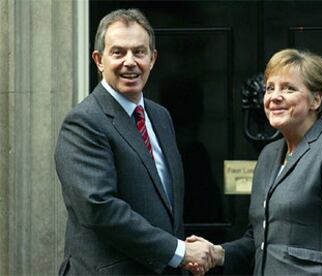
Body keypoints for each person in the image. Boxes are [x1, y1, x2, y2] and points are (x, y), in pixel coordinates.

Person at [55, 8, 213, 275]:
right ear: (99, 60)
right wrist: (178, 252)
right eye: (118, 52)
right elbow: (99, 208)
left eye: (139, 52)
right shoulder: (84, 122)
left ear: (152, 59)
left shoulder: (160, 117)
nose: (130, 62)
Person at [188, 48, 322, 275]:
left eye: (289, 88)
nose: (274, 97)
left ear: (316, 99)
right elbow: (259, 240)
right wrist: (218, 253)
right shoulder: (269, 155)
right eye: (269, 88)